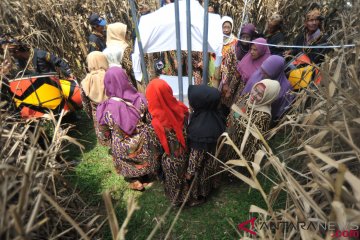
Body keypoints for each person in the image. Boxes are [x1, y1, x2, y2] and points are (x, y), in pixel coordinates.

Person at [96, 67, 159, 191]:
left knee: (119, 150)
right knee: (145, 147)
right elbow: (150, 120)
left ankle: (135, 180)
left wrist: (112, 142)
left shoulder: (105, 108)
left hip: (122, 147)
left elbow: (103, 134)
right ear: (126, 79)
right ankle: (146, 175)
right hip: (143, 144)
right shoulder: (140, 99)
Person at [145, 78, 189, 205]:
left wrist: (157, 172)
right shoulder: (181, 109)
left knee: (172, 172)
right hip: (188, 155)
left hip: (171, 164)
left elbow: (156, 153)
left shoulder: (154, 125)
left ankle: (177, 200)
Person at [186, 85, 226, 206]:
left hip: (203, 165)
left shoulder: (200, 128)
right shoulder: (215, 115)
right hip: (214, 160)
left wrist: (190, 173)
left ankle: (199, 197)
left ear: (200, 103)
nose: (189, 102)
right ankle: (212, 186)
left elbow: (197, 155)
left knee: (201, 178)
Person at [223, 79, 280, 162]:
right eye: (255, 89)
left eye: (260, 94)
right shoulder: (247, 97)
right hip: (227, 134)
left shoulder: (264, 116)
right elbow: (236, 111)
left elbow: (253, 144)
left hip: (237, 150)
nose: (254, 94)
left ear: (267, 97)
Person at [241, 55, 294, 121]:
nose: (262, 74)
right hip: (243, 111)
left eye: (266, 73)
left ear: (275, 72)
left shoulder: (286, 89)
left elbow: (281, 112)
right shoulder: (259, 74)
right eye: (262, 70)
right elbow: (245, 94)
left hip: (259, 120)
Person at [80, 51, 110, 146]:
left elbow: (85, 103)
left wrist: (90, 114)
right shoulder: (110, 75)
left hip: (97, 113)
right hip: (113, 110)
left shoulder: (85, 81)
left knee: (106, 134)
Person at [7, 38, 73, 78]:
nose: (12, 55)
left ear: (18, 51)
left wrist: (69, 72)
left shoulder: (40, 54)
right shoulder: (19, 61)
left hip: (53, 83)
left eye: (12, 53)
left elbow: (58, 61)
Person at [103, 22, 137, 88]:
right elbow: (132, 69)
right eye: (125, 33)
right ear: (118, 34)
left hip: (113, 85)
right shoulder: (125, 49)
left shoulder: (104, 51)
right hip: (128, 85)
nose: (127, 34)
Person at [220, 16, 243, 111]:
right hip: (217, 69)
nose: (226, 30)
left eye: (228, 27)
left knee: (226, 93)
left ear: (232, 27)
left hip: (229, 72)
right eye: (224, 27)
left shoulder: (235, 42)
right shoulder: (217, 38)